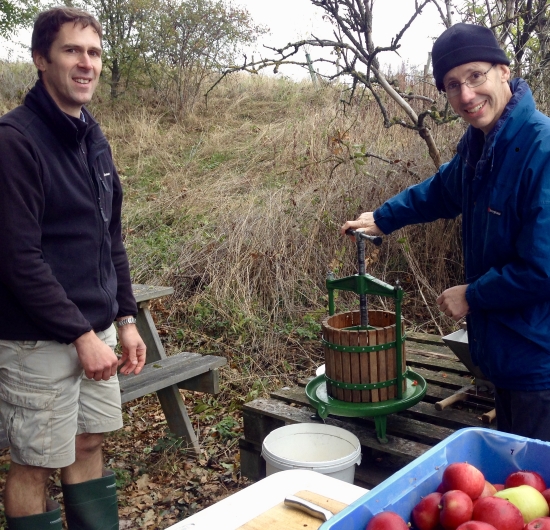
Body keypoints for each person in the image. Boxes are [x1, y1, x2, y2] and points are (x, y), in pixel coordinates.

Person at [341, 23, 550, 442]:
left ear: (504, 71)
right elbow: (442, 190)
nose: (466, 95)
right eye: (453, 85)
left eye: (476, 76)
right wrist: (384, 217)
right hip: (508, 352)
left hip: (540, 358)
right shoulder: (480, 144)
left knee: (535, 482)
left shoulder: (540, 151)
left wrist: (471, 294)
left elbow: (541, 269)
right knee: (517, 479)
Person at [0, 7, 146, 529]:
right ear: (41, 60)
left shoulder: (92, 138)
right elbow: (18, 259)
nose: (86, 64)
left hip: (97, 330)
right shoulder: (15, 142)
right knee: (35, 463)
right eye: (71, 50)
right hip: (37, 341)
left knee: (88, 443)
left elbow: (110, 237)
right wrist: (81, 333)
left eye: (94, 53)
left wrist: (125, 320)